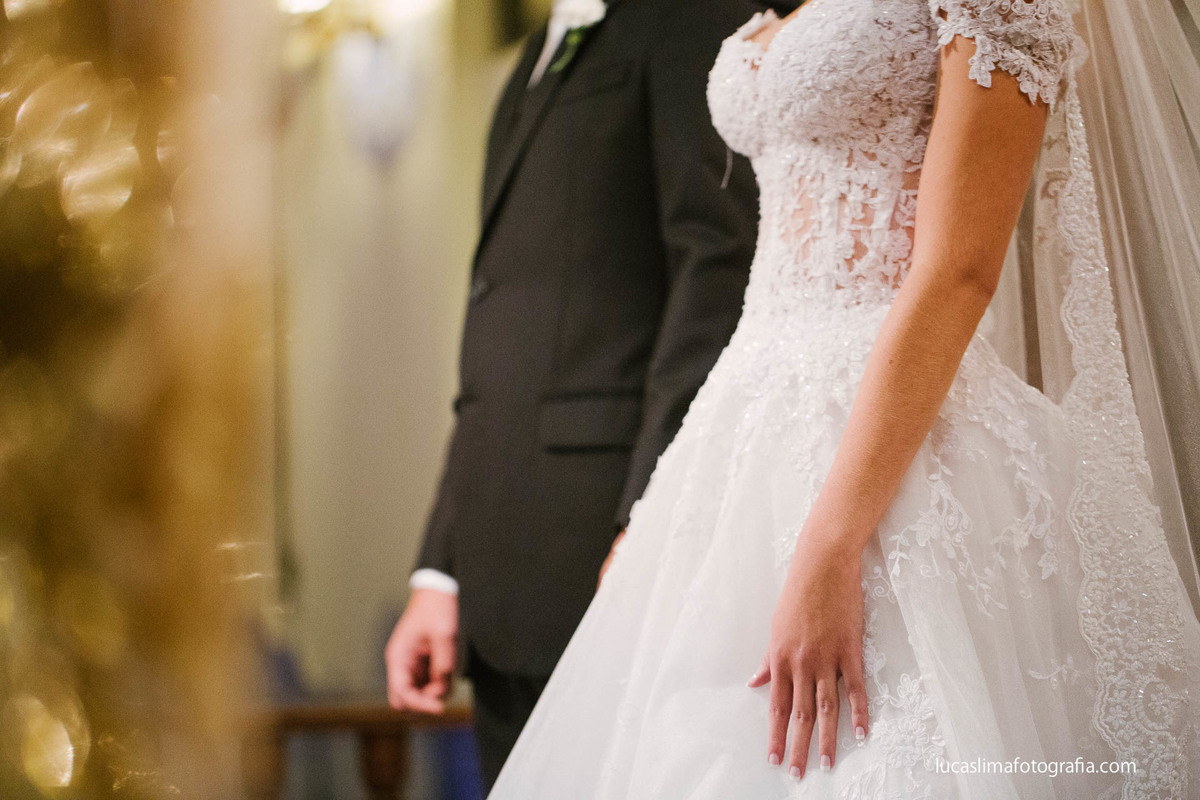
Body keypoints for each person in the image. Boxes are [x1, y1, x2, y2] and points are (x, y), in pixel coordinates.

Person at [485, 0, 1200, 796]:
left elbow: (959, 270)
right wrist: (660, 507)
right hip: (740, 422)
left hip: (897, 433)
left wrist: (830, 546)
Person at [384, 0, 780, 788]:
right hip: (499, 576)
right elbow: (501, 331)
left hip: (605, 555)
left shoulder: (687, 21)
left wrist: (652, 513)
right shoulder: (535, 57)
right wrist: (441, 570)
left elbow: (715, 266)